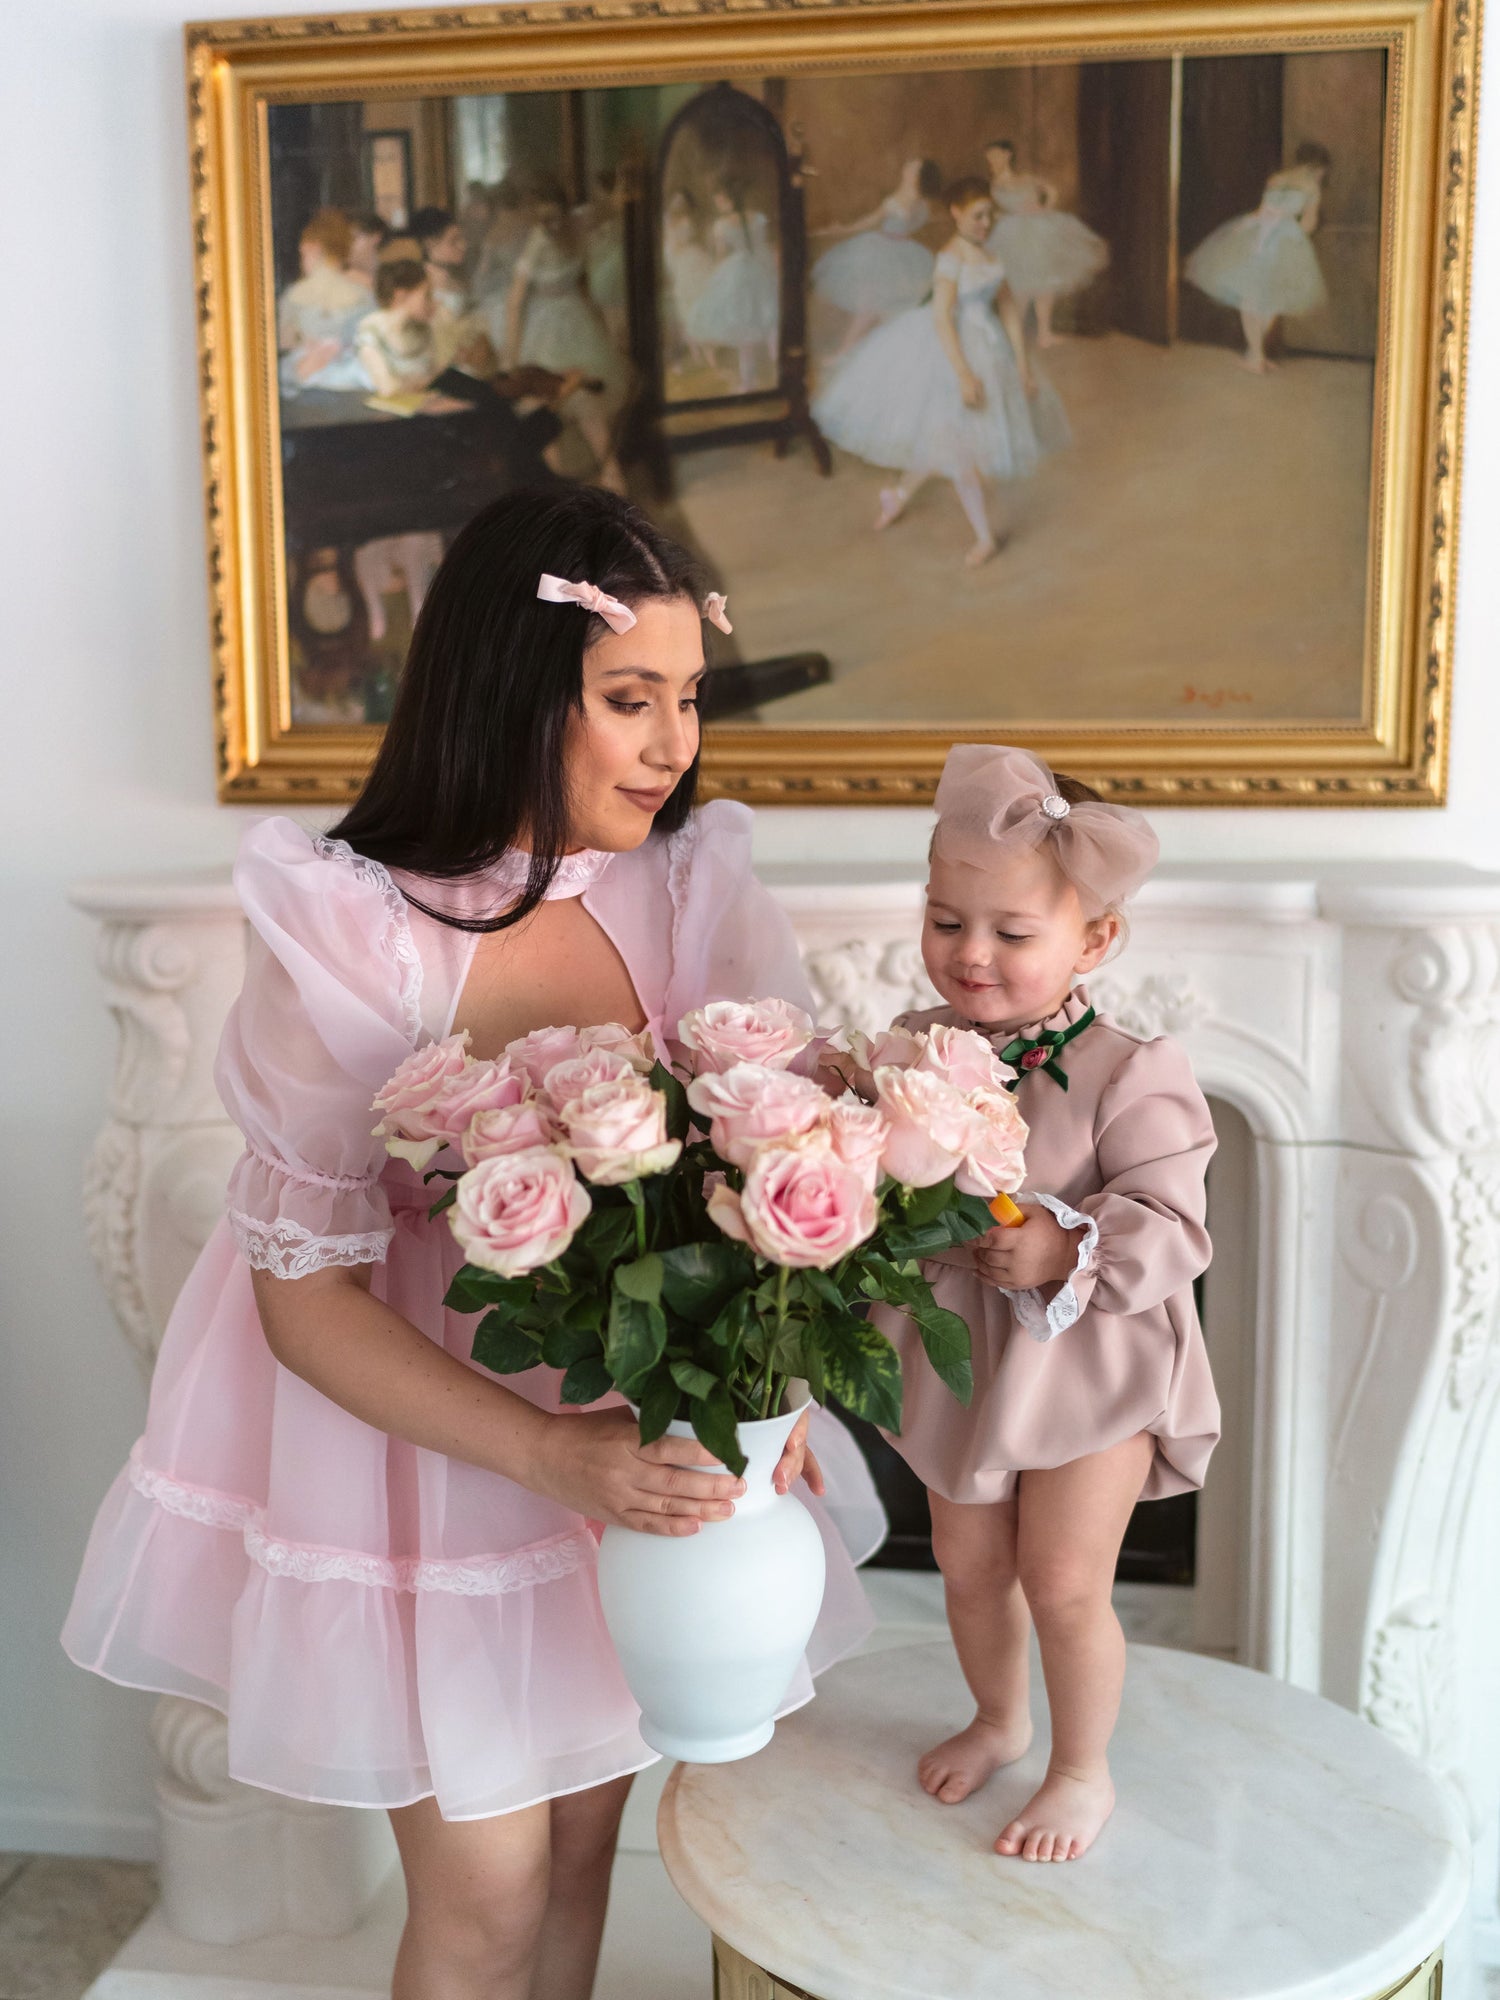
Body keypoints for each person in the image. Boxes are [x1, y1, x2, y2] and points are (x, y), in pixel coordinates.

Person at [63, 484, 884, 2000]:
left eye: (688, 700)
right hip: (440, 1471)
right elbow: (302, 1307)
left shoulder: (685, 892)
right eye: (628, 701)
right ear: (515, 689)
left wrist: (770, 1407)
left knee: (584, 1858)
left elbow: (758, 1199)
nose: (671, 746)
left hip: (638, 1452)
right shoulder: (359, 929)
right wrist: (549, 1456)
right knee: (486, 1901)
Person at [866, 743, 1219, 1863]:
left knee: (1064, 1578)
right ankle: (999, 1714)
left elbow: (1174, 1223)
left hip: (1091, 1368)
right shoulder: (914, 1050)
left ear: (1094, 939)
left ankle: (1081, 1766)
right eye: (945, 919)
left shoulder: (1128, 1068)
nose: (971, 955)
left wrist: (1067, 1240)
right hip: (968, 1362)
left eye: (1012, 933)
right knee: (968, 1565)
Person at [813, 177, 1067, 570]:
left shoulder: (992, 257)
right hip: (952, 354)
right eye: (978, 215)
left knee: (947, 440)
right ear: (956, 213)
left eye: (989, 215)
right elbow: (942, 320)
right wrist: (963, 373)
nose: (986, 222)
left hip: (991, 349)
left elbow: (1010, 312)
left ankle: (896, 496)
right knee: (963, 453)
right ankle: (985, 538)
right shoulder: (950, 258)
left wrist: (1021, 363)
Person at [505, 182, 631, 493]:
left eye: (555, 216)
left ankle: (611, 471)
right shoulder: (537, 240)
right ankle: (554, 482)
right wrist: (511, 353)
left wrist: (602, 326)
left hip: (577, 323)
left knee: (585, 398)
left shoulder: (576, 233)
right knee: (548, 401)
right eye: (544, 217)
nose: (551, 224)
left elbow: (586, 285)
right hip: (544, 330)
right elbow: (515, 300)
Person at [1184, 142, 1332, 373]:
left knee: (1252, 294)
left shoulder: (1277, 178)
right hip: (1285, 237)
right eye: (1323, 170)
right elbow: (1309, 222)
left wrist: (1246, 227)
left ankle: (1255, 354)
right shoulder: (1311, 185)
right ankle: (1256, 355)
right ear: (1317, 166)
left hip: (1258, 232)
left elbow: (1262, 211)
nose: (1323, 174)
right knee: (1270, 297)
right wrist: (1299, 234)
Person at [982, 140, 1108, 349]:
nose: (992, 160)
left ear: (1007, 155)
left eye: (995, 155)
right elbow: (997, 209)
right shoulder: (994, 183)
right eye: (989, 157)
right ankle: (1015, 334)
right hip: (1013, 235)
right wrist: (1008, 213)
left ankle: (1044, 334)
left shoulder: (1023, 178)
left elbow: (1050, 190)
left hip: (1039, 229)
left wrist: (1045, 206)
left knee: (1045, 282)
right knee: (1018, 284)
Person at [811, 157, 942, 357]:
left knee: (871, 305)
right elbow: (916, 222)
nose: (906, 167)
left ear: (915, 176)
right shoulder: (924, 202)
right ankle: (864, 349)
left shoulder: (898, 200)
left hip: (884, 250)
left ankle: (845, 351)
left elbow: (868, 222)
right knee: (883, 305)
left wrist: (842, 229)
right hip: (905, 250)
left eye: (912, 167)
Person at [684, 180, 780, 394]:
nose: (718, 204)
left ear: (729, 200)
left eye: (720, 199)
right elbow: (764, 245)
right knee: (768, 320)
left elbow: (721, 255)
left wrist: (713, 277)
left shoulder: (722, 225)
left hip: (738, 274)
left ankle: (750, 382)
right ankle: (775, 373)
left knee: (746, 329)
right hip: (761, 269)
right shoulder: (758, 218)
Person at [277, 207, 373, 396]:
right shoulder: (363, 293)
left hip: (309, 383)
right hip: (354, 384)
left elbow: (284, 343)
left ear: (313, 248)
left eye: (303, 254)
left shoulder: (295, 294)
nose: (302, 261)